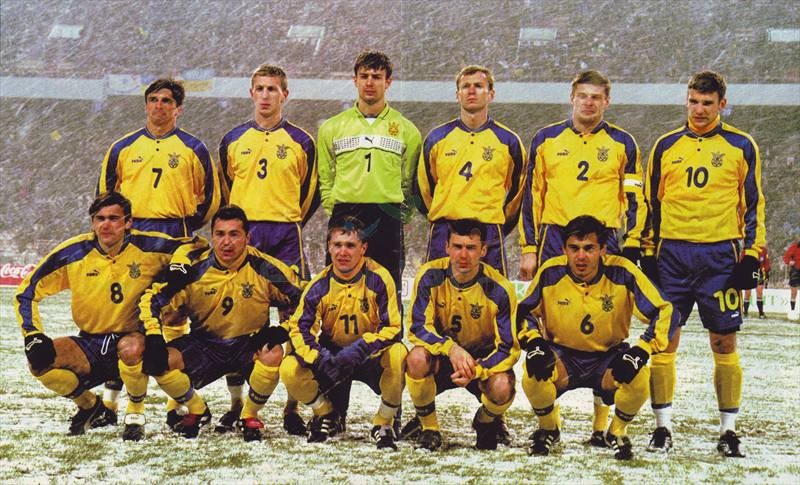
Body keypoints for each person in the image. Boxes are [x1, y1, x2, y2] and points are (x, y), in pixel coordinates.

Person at [517, 70, 647, 440]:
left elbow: (635, 196)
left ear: (607, 101)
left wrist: (633, 241)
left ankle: (600, 425)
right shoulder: (545, 138)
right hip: (556, 236)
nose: (589, 102)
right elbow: (532, 196)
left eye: (596, 97)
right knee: (548, 324)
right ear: (572, 98)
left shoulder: (623, 142)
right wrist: (529, 247)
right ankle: (550, 418)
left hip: (603, 237)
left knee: (607, 323)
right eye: (583, 96)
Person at [643, 71, 766, 457]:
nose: (699, 110)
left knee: (724, 341)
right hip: (672, 255)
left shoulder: (741, 145)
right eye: (694, 102)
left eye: (707, 103)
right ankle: (662, 428)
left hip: (720, 257)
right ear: (687, 100)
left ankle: (728, 431)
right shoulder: (665, 145)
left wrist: (752, 252)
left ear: (722, 104)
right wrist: (646, 250)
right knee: (665, 339)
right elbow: (651, 203)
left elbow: (754, 204)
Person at [14, 192, 199, 440]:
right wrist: (32, 334)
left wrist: (179, 263)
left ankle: (135, 413)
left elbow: (193, 245)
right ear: (92, 223)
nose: (106, 225)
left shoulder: (149, 246)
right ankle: (90, 405)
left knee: (131, 348)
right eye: (100, 218)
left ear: (128, 222)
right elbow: (26, 292)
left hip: (134, 338)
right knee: (39, 362)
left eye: (114, 218)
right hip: (90, 341)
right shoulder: (74, 252)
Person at [96, 77, 221, 416]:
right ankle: (113, 402)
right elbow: (105, 196)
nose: (159, 106)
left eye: (167, 101)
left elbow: (210, 199)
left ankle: (175, 401)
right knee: (126, 318)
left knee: (175, 311)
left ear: (179, 108)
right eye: (153, 99)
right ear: (145, 104)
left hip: (175, 237)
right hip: (134, 241)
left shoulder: (193, 149)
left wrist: (185, 225)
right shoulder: (123, 147)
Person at [138, 205, 304, 441]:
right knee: (158, 360)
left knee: (273, 352)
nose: (227, 242)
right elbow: (151, 299)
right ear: (212, 237)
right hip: (205, 345)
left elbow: (307, 299)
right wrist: (154, 335)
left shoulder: (266, 268)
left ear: (247, 237)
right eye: (220, 234)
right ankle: (197, 409)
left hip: (249, 344)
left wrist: (283, 330)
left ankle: (249, 415)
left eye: (234, 234)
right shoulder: (194, 270)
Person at [517, 215, 674, 460]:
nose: (581, 256)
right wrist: (534, 341)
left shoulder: (623, 272)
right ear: (564, 249)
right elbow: (524, 311)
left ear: (603, 249)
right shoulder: (550, 272)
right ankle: (548, 429)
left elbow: (665, 310)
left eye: (589, 248)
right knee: (533, 373)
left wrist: (642, 349)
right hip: (563, 356)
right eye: (574, 248)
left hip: (608, 357)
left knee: (640, 377)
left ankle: (616, 432)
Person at [218, 63, 318, 436]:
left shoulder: (301, 141)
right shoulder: (232, 139)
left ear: (284, 95)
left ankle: (292, 407)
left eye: (272, 89)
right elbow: (225, 191)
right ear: (251, 93)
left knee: (294, 322)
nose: (265, 95)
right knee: (240, 322)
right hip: (247, 238)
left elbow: (310, 194)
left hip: (286, 235)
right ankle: (238, 405)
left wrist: (285, 217)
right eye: (259, 88)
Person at [279, 216, 405, 449]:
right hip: (333, 357)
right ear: (329, 247)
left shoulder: (380, 278)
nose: (343, 252)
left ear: (363, 248)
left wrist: (361, 348)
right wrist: (320, 357)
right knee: (289, 367)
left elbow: (393, 328)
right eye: (337, 245)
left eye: (350, 245)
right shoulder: (319, 285)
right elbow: (300, 329)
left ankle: (383, 422)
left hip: (369, 355)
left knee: (399, 354)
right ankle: (325, 413)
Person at [403, 219, 520, 451]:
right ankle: (429, 428)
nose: (463, 255)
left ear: (483, 250)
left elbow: (507, 348)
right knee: (416, 358)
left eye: (471, 248)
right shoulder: (430, 275)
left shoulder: (500, 289)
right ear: (447, 247)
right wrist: (451, 349)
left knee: (502, 386)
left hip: (481, 364)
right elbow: (418, 327)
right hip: (444, 358)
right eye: (457, 246)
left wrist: (477, 369)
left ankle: (486, 421)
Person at [316, 50, 422, 297]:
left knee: (387, 290)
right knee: (338, 290)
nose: (370, 82)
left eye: (376, 76)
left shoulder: (407, 130)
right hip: (345, 212)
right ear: (355, 80)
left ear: (388, 82)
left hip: (387, 216)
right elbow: (325, 177)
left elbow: (409, 182)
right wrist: (337, 209)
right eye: (364, 76)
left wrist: (400, 216)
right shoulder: (332, 127)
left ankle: (389, 325)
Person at [415, 65, 526, 276]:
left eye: (478, 86)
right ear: (457, 94)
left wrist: (495, 224)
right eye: (465, 86)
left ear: (491, 94)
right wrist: (447, 213)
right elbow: (423, 190)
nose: (471, 90)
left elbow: (518, 195)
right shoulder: (436, 138)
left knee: (491, 294)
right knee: (437, 293)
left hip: (489, 233)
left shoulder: (509, 141)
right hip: (444, 232)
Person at [743, 247, 770, 318]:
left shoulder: (763, 250)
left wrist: (767, 272)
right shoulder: (747, 248)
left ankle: (761, 313)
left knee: (759, 291)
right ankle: (745, 313)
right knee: (747, 292)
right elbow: (741, 259)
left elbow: (766, 262)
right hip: (748, 272)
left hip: (759, 272)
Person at [784, 238, 800, 320]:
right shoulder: (794, 247)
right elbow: (786, 257)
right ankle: (792, 310)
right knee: (794, 292)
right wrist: (789, 261)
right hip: (795, 270)